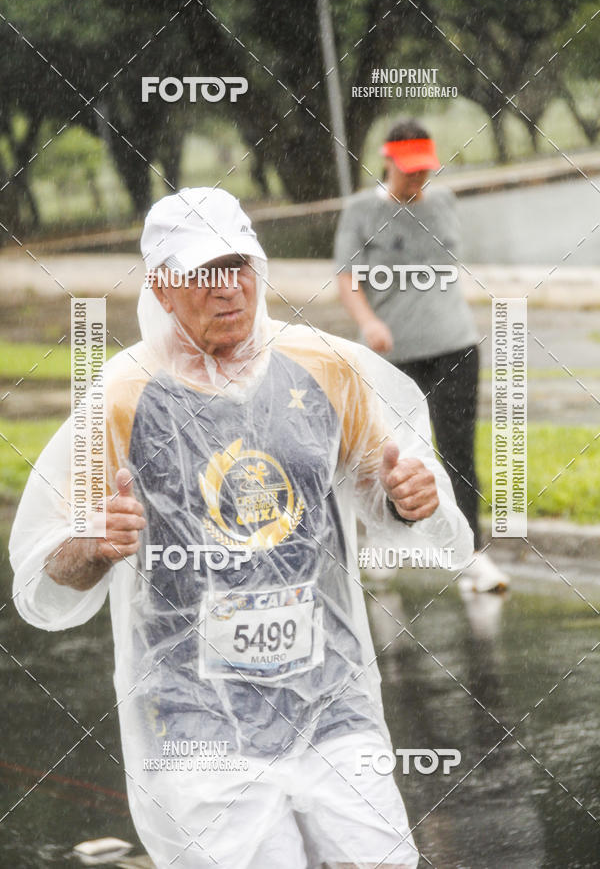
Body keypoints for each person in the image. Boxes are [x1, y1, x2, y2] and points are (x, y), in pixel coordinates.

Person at [10, 187, 474, 869]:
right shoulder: (122, 397)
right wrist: (96, 545)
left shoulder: (325, 368)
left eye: (239, 267)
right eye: (202, 274)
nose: (227, 290)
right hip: (195, 717)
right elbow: (47, 568)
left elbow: (389, 492)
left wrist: (410, 496)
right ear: (163, 289)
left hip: (331, 702)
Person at [335, 118, 509, 594]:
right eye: (409, 170)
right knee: (386, 455)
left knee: (458, 452)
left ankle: (471, 556)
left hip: (454, 344)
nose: (418, 179)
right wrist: (369, 321)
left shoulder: (446, 202)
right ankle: (384, 541)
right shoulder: (360, 213)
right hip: (392, 357)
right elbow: (347, 279)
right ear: (388, 161)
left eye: (424, 170)